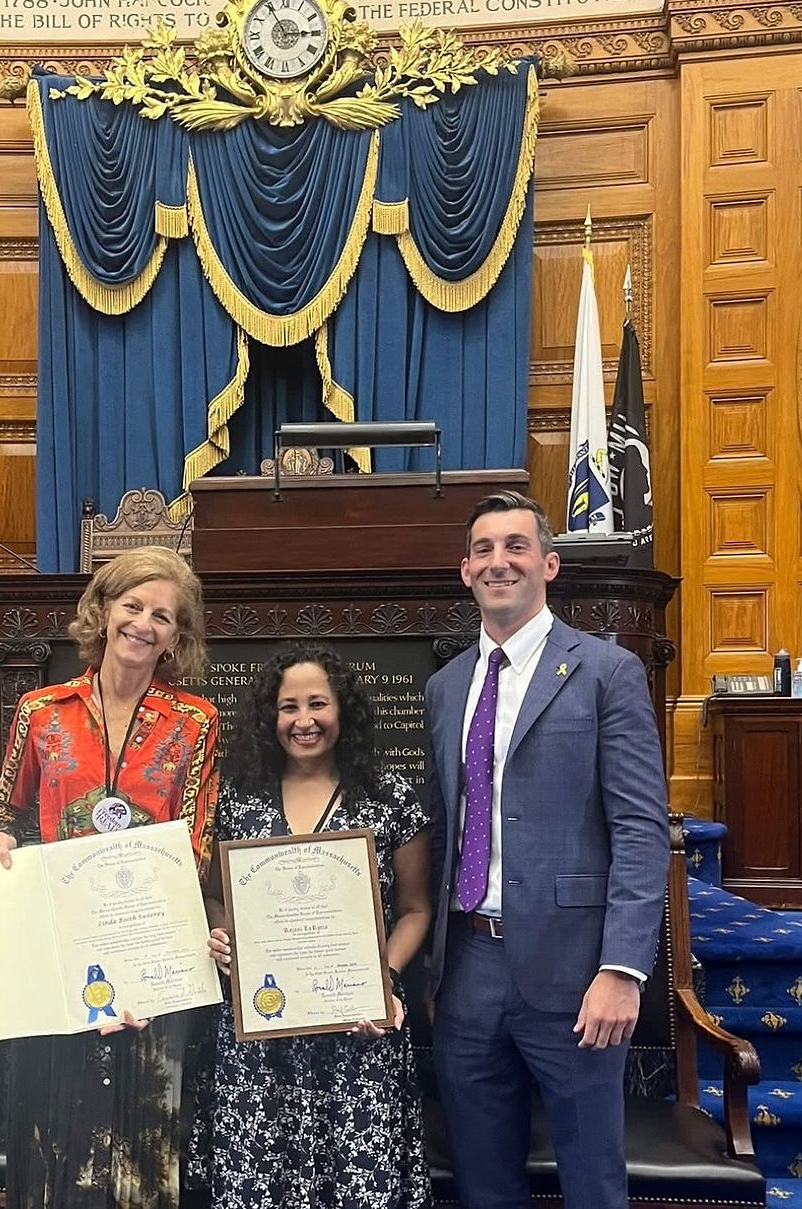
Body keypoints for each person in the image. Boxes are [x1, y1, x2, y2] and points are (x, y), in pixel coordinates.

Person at [425, 491, 669, 1209]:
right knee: (483, 1183)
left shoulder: (605, 671)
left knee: (592, 1180)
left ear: (549, 564)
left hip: (576, 972)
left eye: (516, 546)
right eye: (483, 550)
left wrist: (622, 968)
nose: (499, 561)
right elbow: (443, 829)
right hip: (467, 968)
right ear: (465, 570)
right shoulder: (446, 688)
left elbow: (640, 827)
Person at [0, 548, 219, 1209]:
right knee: (55, 1127)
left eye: (163, 616)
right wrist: (1, 834)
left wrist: (132, 943)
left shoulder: (194, 721)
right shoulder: (41, 710)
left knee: (142, 1141)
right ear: (103, 610)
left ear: (178, 635)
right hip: (58, 948)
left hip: (152, 947)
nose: (144, 623)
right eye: (133, 605)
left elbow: (196, 841)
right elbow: (8, 806)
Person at [188, 643, 433, 1209]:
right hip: (261, 1036)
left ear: (342, 711)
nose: (304, 721)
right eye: (287, 707)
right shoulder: (234, 800)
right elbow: (213, 898)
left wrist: (382, 980)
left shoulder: (389, 798)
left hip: (358, 1030)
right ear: (268, 717)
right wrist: (225, 938)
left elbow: (416, 910)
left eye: (318, 704)